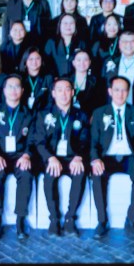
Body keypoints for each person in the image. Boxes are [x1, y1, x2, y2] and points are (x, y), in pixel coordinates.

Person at [89, 76, 134, 238]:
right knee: (97, 174)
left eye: (124, 90)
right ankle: (102, 221)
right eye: (116, 90)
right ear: (110, 91)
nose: (120, 93)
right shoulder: (99, 112)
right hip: (106, 157)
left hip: (129, 156)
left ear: (128, 92)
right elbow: (93, 142)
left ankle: (131, 221)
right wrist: (95, 159)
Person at [0, 75, 36, 241]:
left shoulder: (29, 113)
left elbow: (33, 138)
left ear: (22, 90)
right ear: (4, 90)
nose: (13, 90)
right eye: (10, 87)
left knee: (26, 174)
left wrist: (27, 155)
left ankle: (20, 219)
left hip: (20, 156)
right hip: (0, 155)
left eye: (17, 87)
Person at [34, 77, 88, 237]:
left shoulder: (81, 115)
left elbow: (86, 140)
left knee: (80, 173)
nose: (63, 94)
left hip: (73, 158)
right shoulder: (44, 114)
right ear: (53, 93)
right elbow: (39, 141)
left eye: (67, 90)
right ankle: (54, 220)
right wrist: (50, 158)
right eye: (59, 90)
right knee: (49, 175)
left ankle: (70, 219)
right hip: (52, 158)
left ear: (72, 92)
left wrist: (79, 157)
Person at [44, 13, 85, 80]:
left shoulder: (81, 43)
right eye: (65, 23)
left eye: (71, 23)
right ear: (59, 25)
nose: (68, 26)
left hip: (75, 80)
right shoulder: (51, 42)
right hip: (55, 80)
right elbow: (46, 63)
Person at [70, 49, 103, 114]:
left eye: (85, 60)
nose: (82, 63)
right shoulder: (66, 79)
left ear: (89, 62)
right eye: (79, 60)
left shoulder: (97, 81)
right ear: (73, 62)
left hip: (88, 117)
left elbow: (99, 103)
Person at [20, 49, 53, 113]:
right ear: (25, 61)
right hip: (23, 115)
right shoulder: (20, 78)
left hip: (42, 114)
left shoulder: (48, 78)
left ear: (41, 60)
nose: (34, 62)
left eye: (37, 58)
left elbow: (50, 100)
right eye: (31, 59)